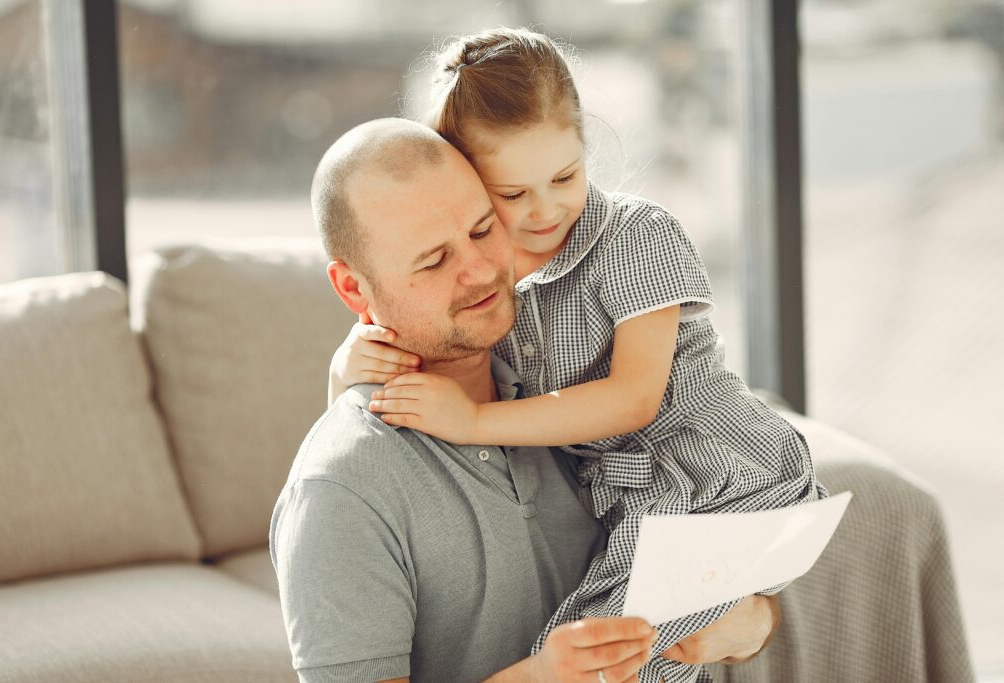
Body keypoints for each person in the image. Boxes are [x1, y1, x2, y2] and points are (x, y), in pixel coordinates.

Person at [327, 28, 826, 683]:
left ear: (586, 144)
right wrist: (348, 367)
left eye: (565, 175)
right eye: (510, 195)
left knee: (604, 648)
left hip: (717, 471)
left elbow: (634, 399)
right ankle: (724, 617)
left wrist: (474, 423)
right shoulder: (484, 277)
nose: (545, 209)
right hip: (635, 502)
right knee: (606, 646)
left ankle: (729, 615)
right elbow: (389, 394)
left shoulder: (636, 236)